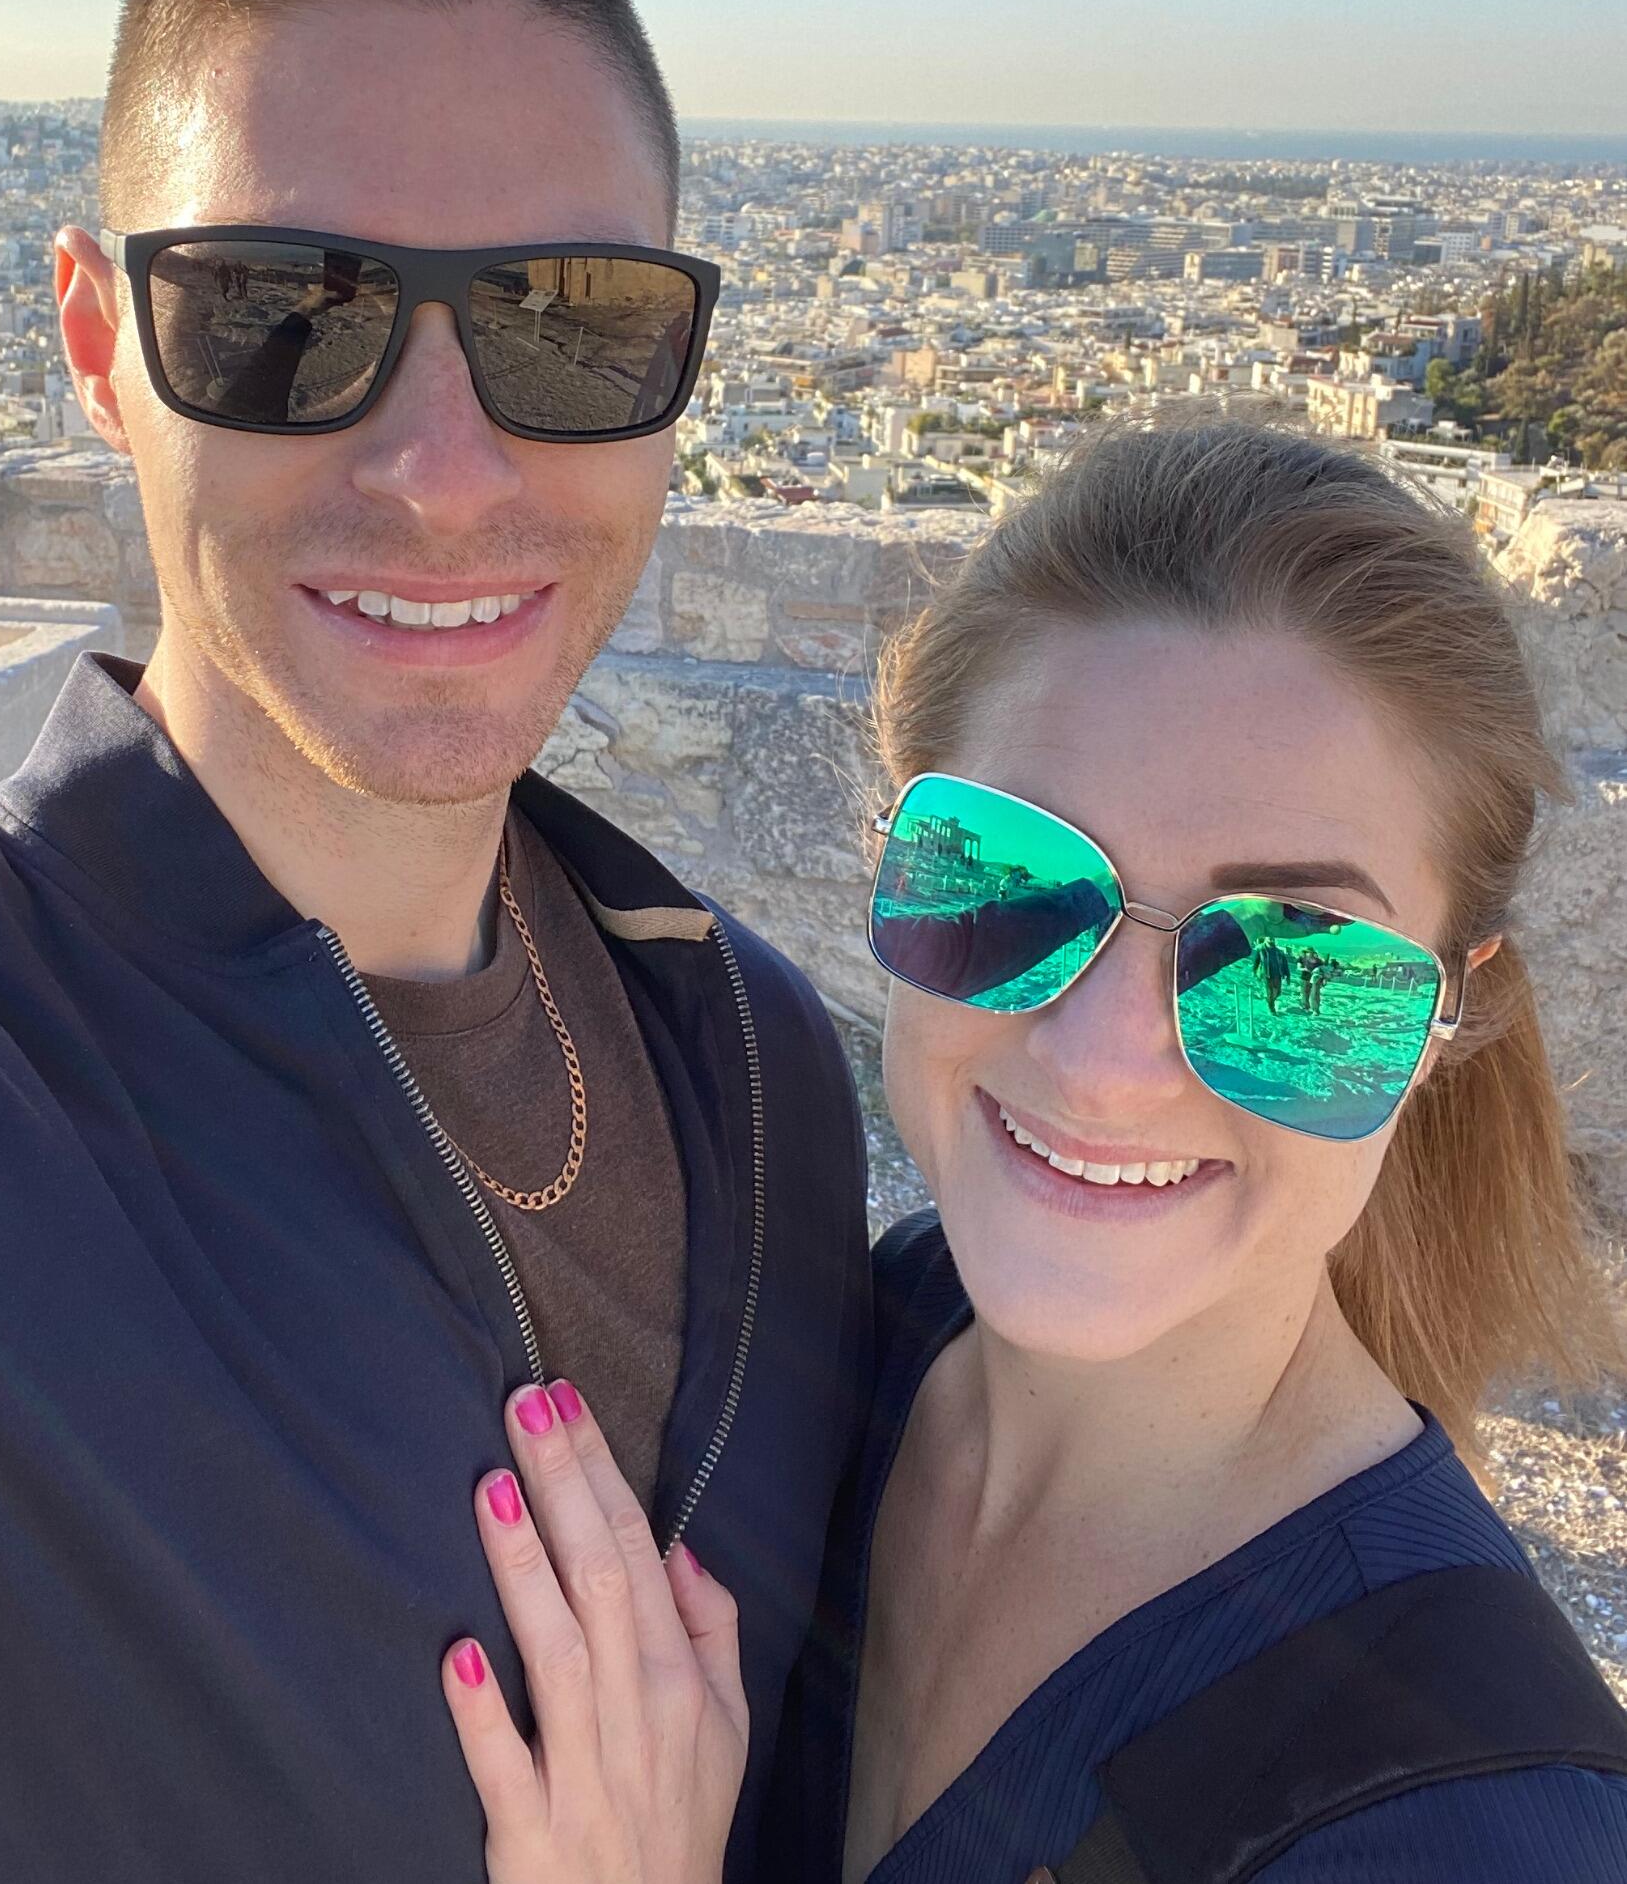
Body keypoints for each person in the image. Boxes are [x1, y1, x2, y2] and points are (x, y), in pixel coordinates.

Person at [0, 0, 871, 1881]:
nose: (443, 471)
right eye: (284, 314)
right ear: (99, 343)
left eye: (568, 322)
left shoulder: (758, 1069)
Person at [443, 417, 1627, 1882]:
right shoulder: (838, 1349)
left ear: (1452, 1016)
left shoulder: (1473, 1836)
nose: (1101, 1061)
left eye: (1292, 970)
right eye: (1012, 885)